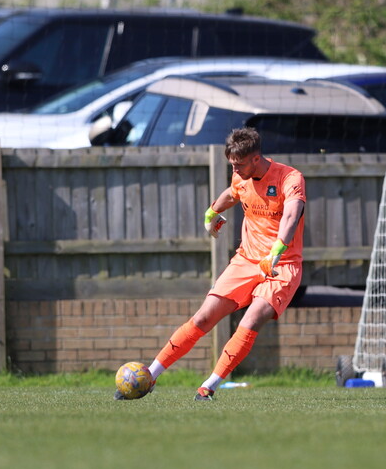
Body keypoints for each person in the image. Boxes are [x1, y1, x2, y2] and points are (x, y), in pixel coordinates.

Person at [116, 126, 306, 400]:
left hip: (282, 264)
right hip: (246, 260)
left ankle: (209, 386)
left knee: (251, 320)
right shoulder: (241, 174)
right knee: (203, 317)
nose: (235, 170)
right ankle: (150, 376)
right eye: (232, 165)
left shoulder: (290, 178)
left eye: (239, 165)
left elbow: (290, 216)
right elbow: (234, 192)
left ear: (256, 158)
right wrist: (212, 211)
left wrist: (275, 252)